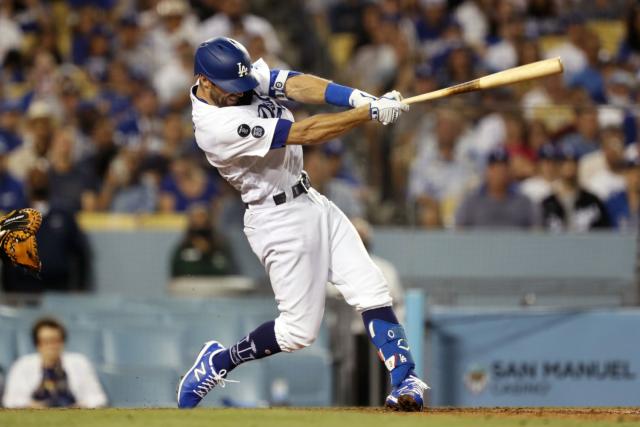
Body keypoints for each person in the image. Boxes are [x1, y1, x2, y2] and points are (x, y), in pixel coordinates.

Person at [177, 37, 427, 412]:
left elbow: (294, 83)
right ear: (204, 81)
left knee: (371, 287)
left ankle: (405, 379)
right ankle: (220, 361)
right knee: (298, 332)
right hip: (276, 220)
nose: (239, 94)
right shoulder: (214, 127)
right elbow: (305, 134)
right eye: (229, 89)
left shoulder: (236, 78)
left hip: (310, 199)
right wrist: (368, 115)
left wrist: (357, 98)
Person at [2, 317, 106, 408]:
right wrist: (31, 405)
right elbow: (10, 400)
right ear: (37, 344)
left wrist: (81, 406)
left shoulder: (80, 362)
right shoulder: (22, 365)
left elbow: (98, 398)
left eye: (56, 340)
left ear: (63, 342)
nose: (51, 346)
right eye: (46, 341)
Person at [455, 147, 539, 229]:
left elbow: (537, 232)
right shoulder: (471, 203)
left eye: (503, 168)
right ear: (487, 171)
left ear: (510, 171)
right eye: (495, 168)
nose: (500, 172)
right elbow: (459, 233)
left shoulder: (524, 203)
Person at [541, 146, 610, 232]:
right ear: (558, 167)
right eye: (565, 162)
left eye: (573, 162)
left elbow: (605, 234)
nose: (569, 166)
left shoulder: (592, 201)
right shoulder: (547, 204)